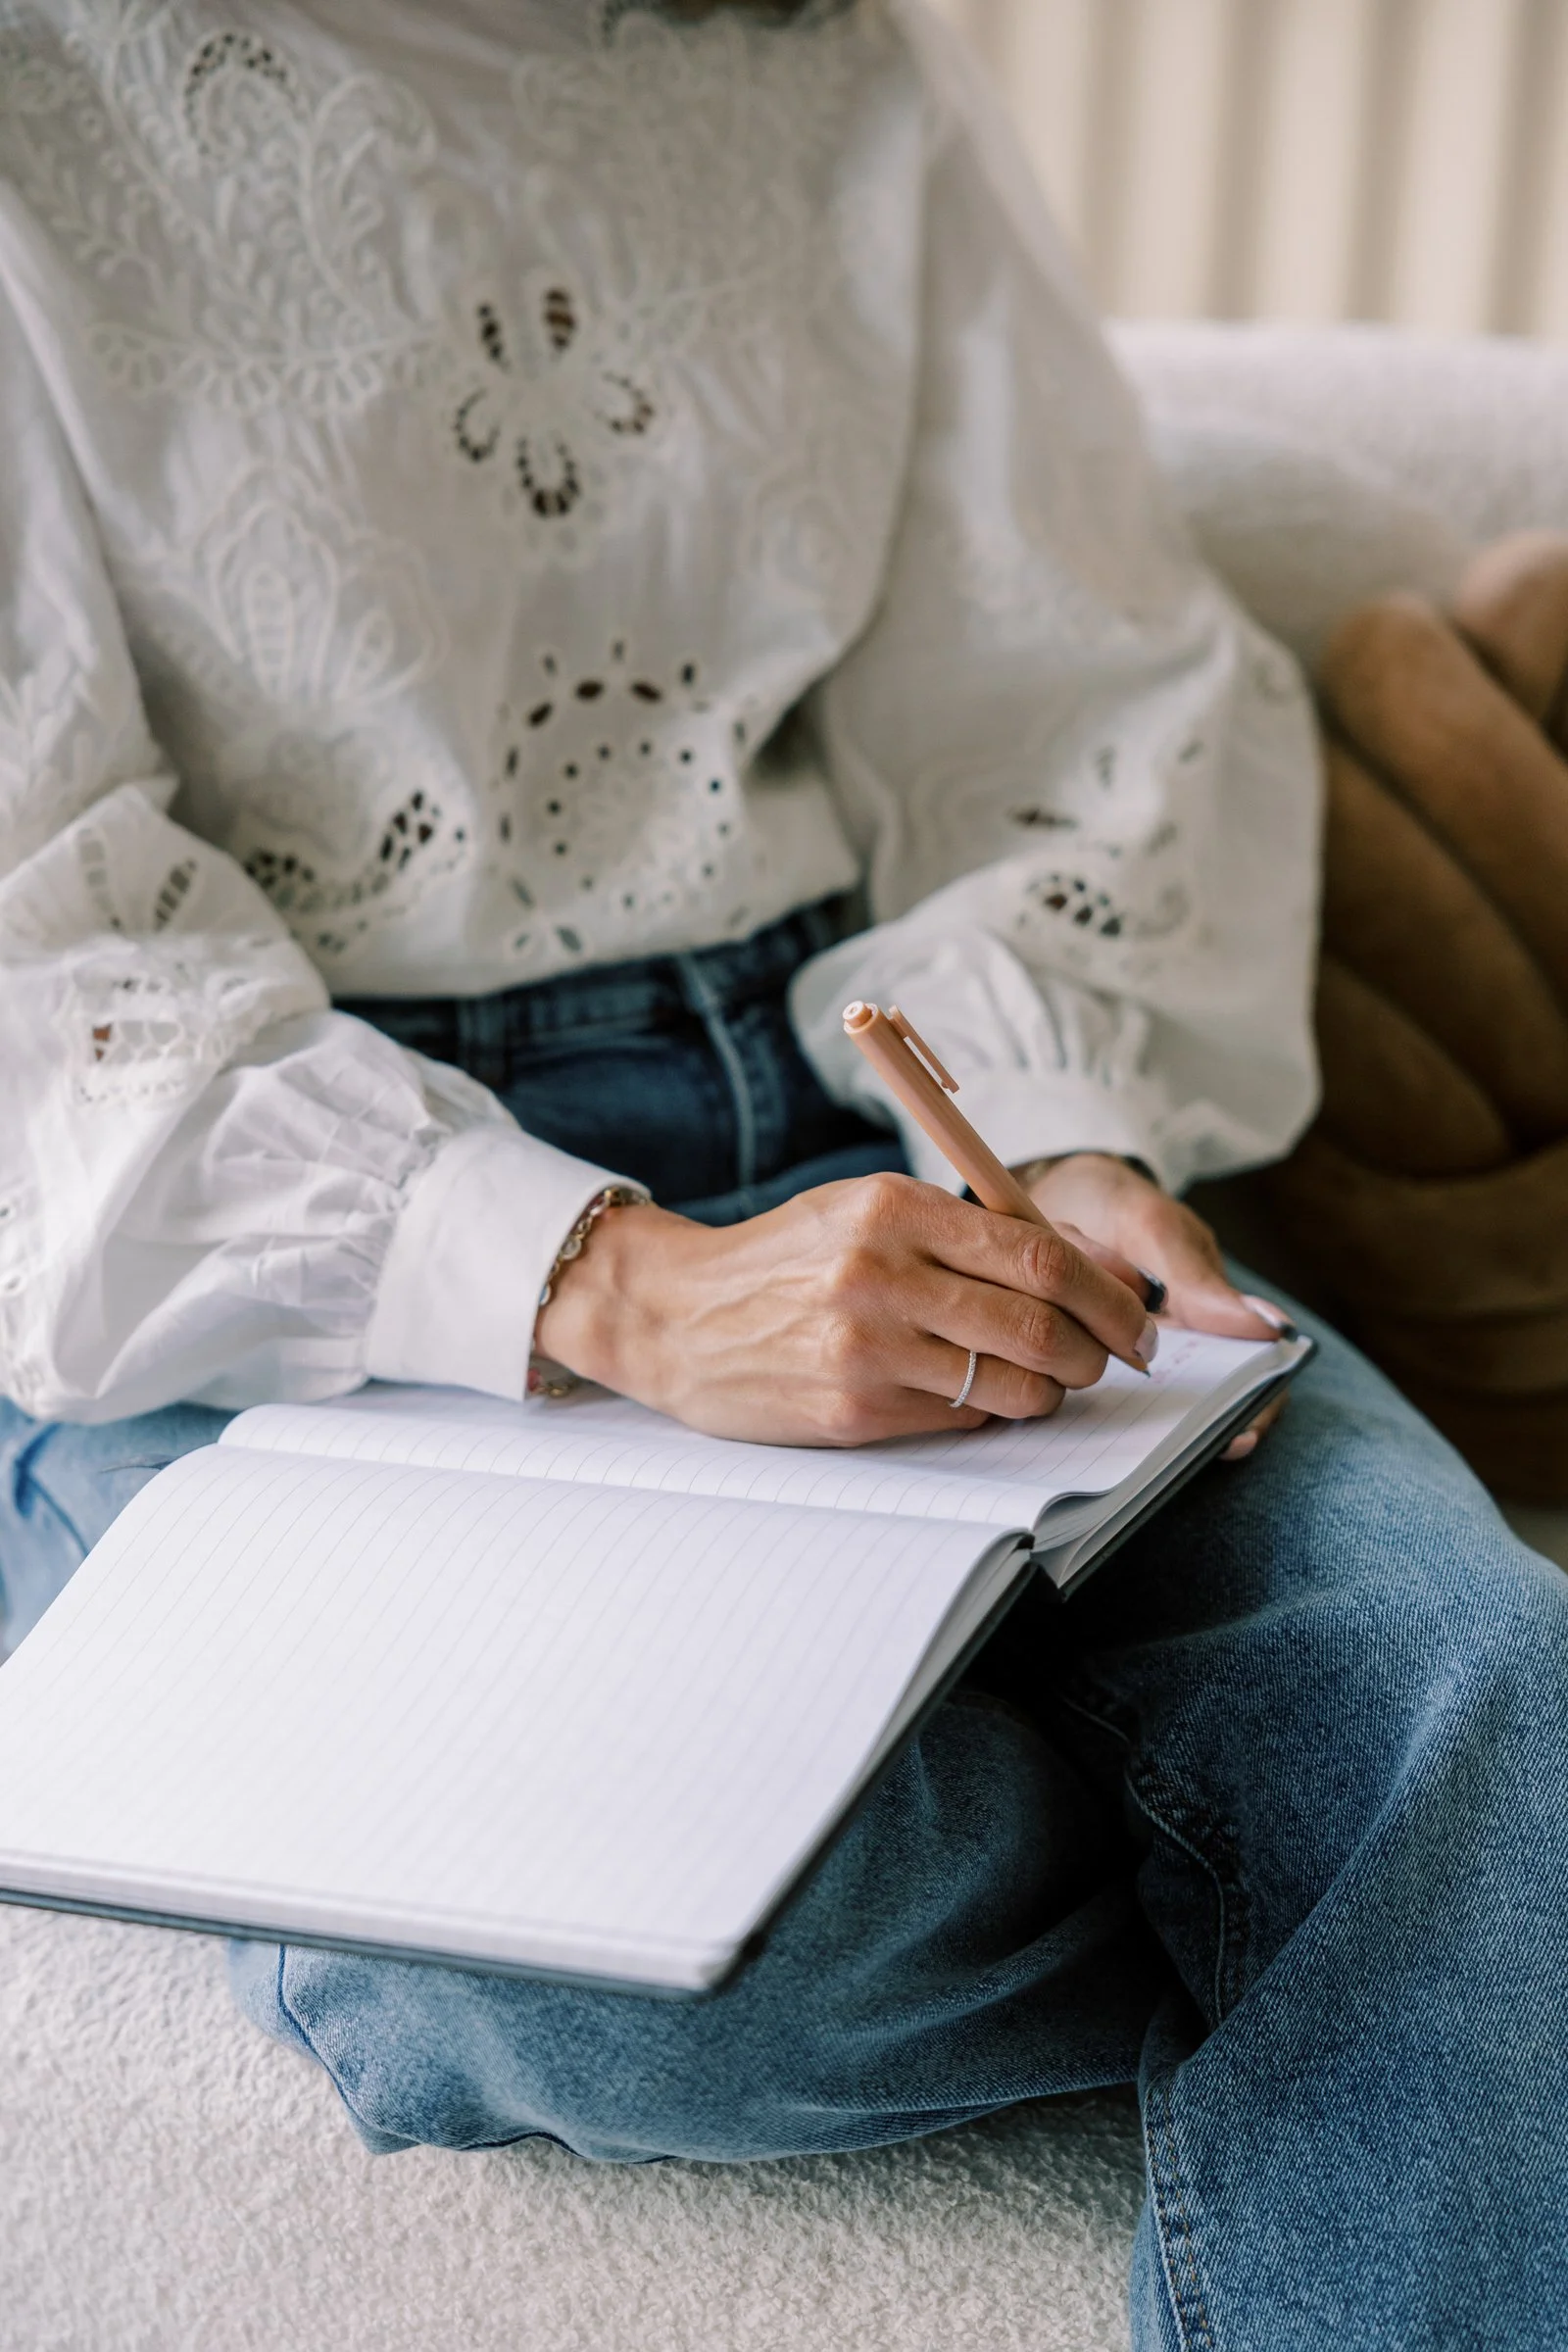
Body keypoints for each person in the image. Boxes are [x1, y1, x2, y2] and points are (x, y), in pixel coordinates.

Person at [0, 3, 1563, 2343]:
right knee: (607, 1973)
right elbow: (42, 924)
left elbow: (1072, 692)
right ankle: (1396, 1911)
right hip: (265, 1213)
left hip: (870, 1072)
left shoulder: (836, 71)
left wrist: (1046, 1121)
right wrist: (614, 1292)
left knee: (1479, 1686)